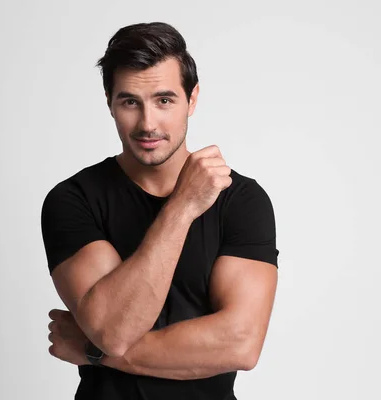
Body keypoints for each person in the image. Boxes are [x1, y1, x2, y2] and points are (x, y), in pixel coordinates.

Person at [41, 22, 279, 400]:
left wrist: (93, 352)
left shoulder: (242, 200)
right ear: (109, 103)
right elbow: (114, 331)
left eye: (164, 100)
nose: (148, 124)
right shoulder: (73, 200)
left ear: (193, 99)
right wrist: (182, 206)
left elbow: (240, 345)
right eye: (130, 102)